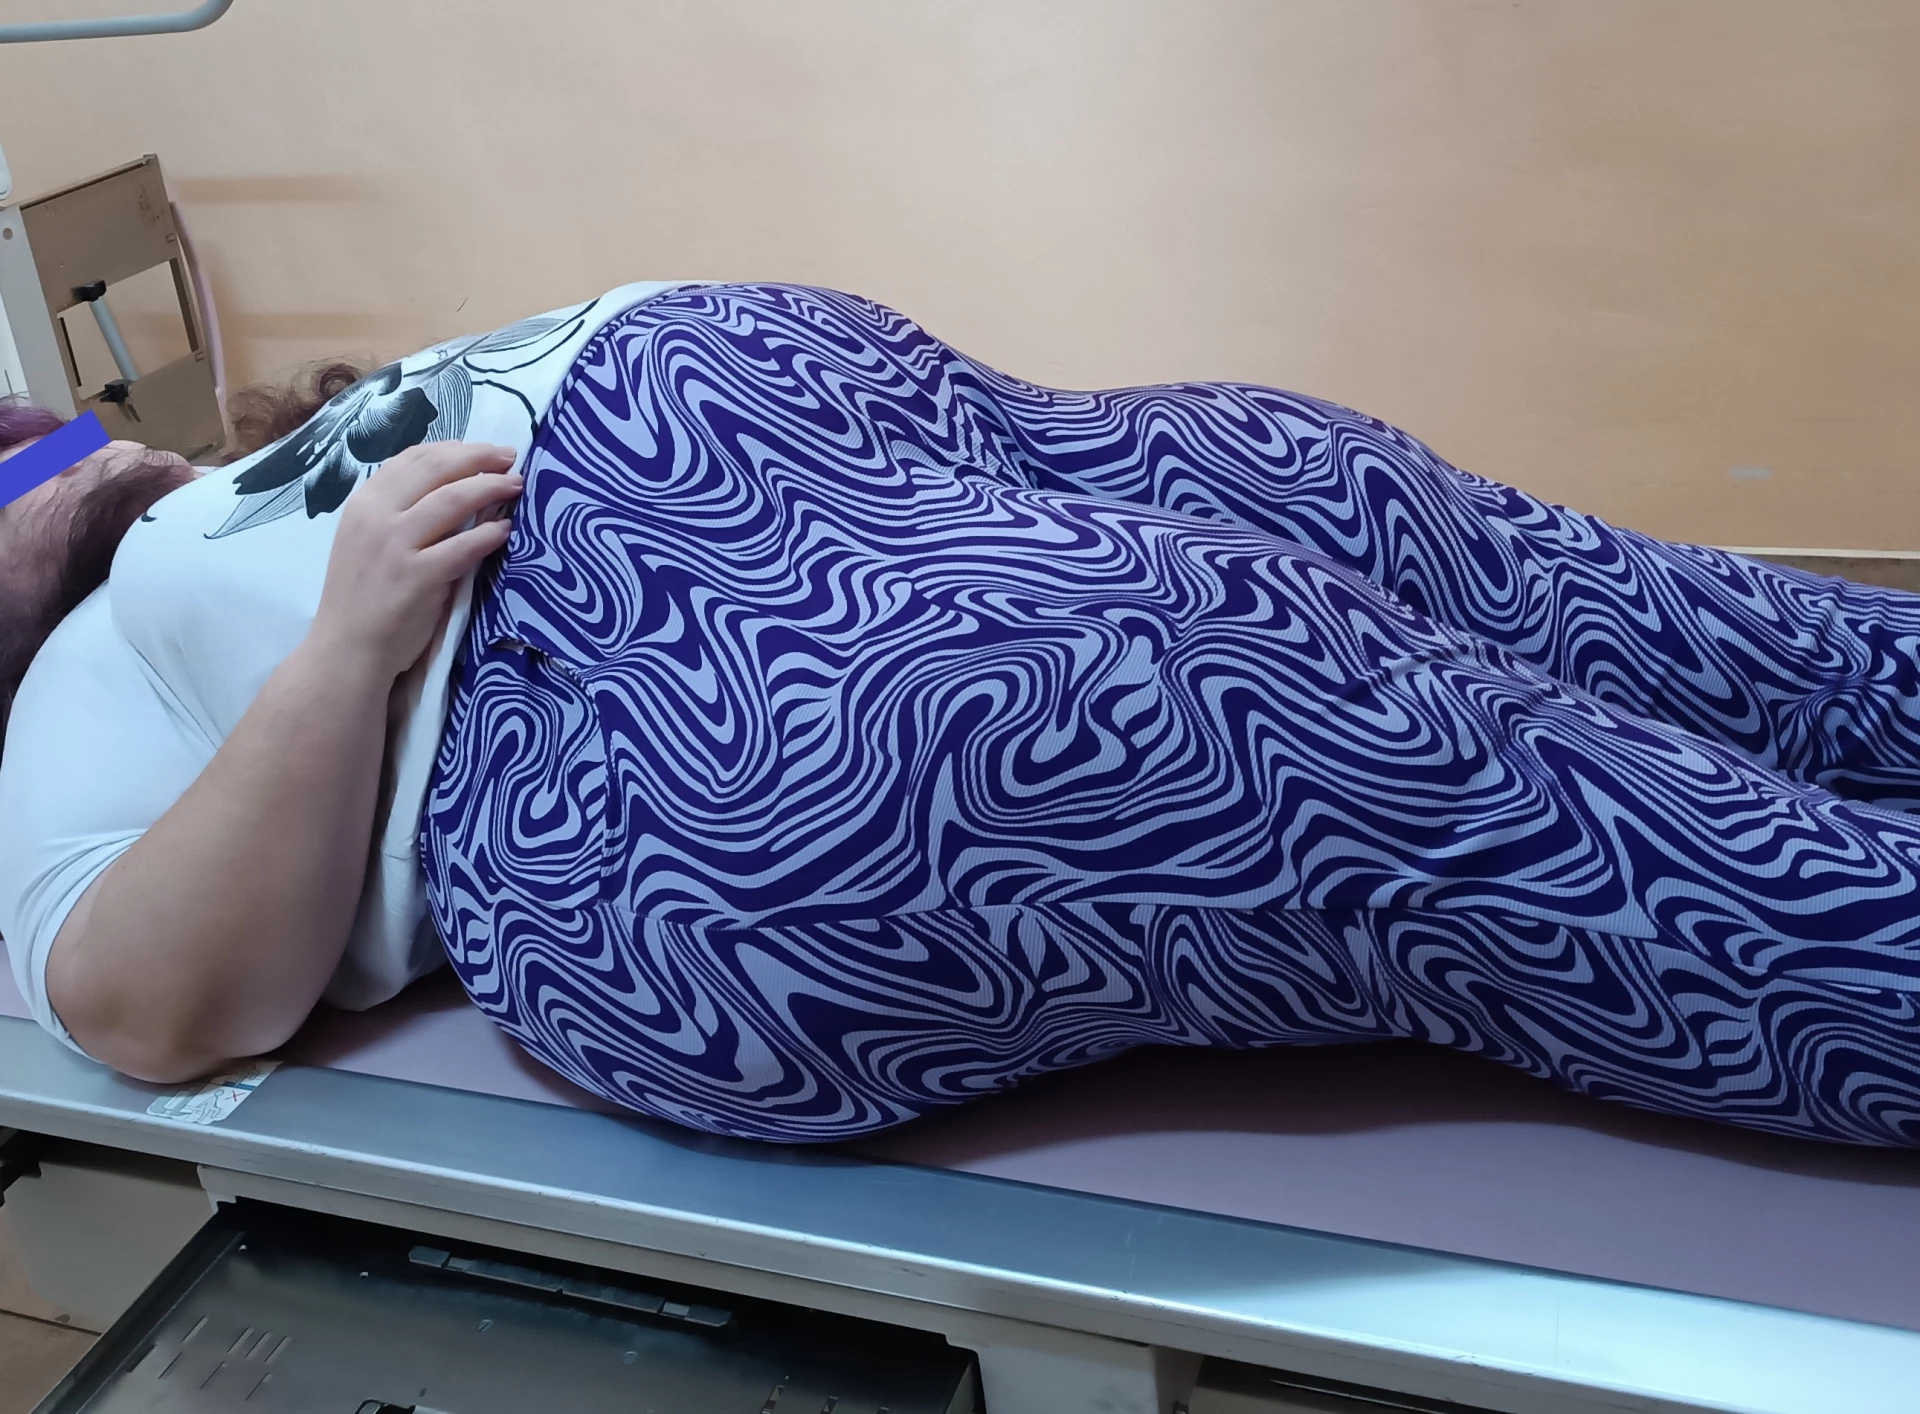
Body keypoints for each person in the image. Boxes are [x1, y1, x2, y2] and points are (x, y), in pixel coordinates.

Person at [5, 281, 1920, 1148]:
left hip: (883, 445)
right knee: (1221, 690)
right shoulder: (71, 692)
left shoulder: (203, 495)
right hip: (693, 710)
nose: (52, 456)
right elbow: (142, 1003)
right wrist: (345, 651)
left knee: (1439, 538)